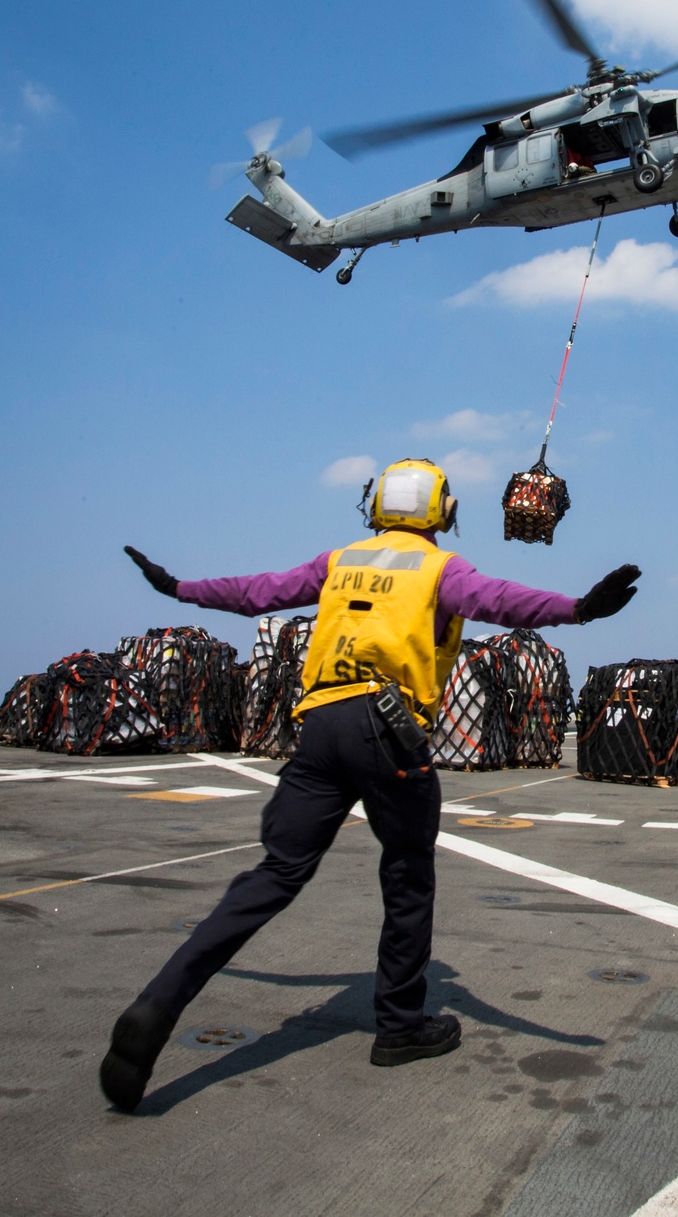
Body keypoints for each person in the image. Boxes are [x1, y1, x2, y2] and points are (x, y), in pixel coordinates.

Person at [99, 458, 640, 1112]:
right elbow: (502, 600)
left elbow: (256, 592)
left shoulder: (339, 562)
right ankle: (401, 1026)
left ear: (376, 506)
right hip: (388, 731)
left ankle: (158, 1004)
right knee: (408, 877)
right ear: (443, 512)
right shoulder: (441, 569)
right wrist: (580, 610)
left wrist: (178, 587)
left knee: (274, 875)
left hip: (319, 728)